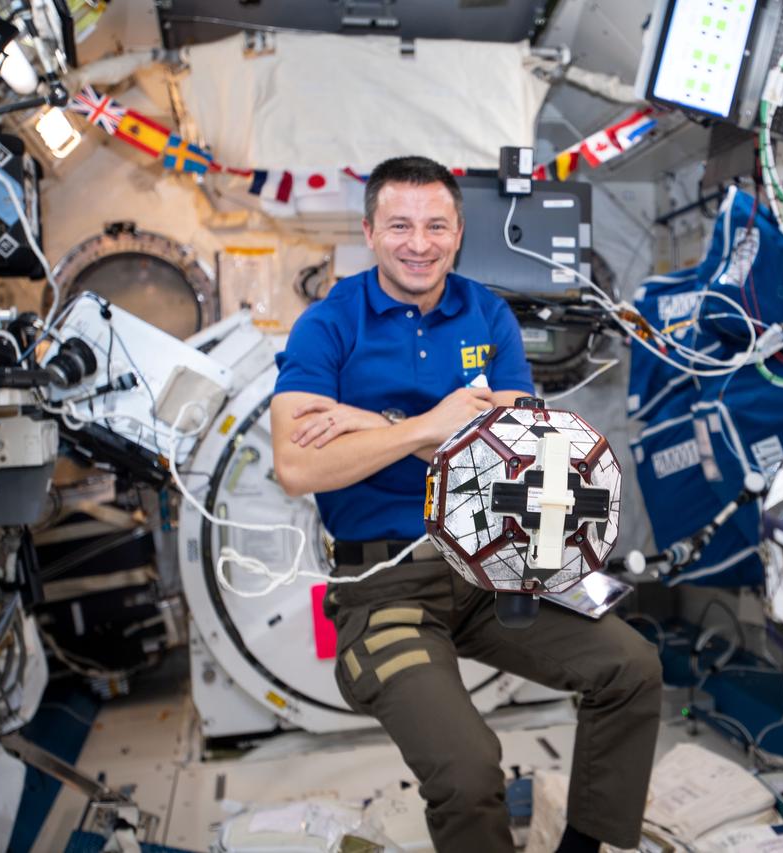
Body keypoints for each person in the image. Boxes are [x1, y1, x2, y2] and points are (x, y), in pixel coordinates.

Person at [270, 156, 662, 852]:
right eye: (399, 225)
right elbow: (298, 465)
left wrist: (363, 421)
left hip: (491, 568)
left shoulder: (487, 312)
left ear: (457, 234)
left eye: (435, 226)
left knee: (630, 668)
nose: (417, 242)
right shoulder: (329, 324)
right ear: (369, 231)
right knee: (469, 768)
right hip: (383, 586)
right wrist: (425, 425)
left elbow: (521, 449)